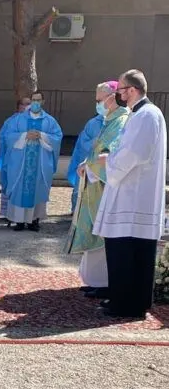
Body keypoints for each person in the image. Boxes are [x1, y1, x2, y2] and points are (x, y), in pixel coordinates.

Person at [93, 70, 168, 320]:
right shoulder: (141, 114)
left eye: (121, 90)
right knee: (131, 252)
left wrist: (109, 161)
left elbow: (135, 153)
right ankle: (127, 300)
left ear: (133, 90)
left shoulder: (146, 115)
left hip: (134, 196)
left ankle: (126, 304)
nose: (119, 94)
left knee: (126, 252)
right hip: (133, 192)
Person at [65, 82, 129, 295]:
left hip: (105, 188)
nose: (98, 104)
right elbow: (96, 151)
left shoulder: (121, 121)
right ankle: (95, 280)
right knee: (95, 231)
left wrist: (90, 168)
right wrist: (86, 163)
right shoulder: (108, 120)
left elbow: (112, 154)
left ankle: (104, 283)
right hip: (95, 185)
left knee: (103, 234)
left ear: (112, 97)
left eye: (100, 100)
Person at [3, 91, 63, 232]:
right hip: (20, 163)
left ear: (43, 102)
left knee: (37, 188)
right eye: (33, 100)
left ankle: (34, 220)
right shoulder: (18, 119)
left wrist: (42, 135)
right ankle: (19, 221)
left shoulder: (49, 121)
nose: (35, 103)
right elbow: (8, 136)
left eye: (38, 100)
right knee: (19, 188)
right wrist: (25, 135)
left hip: (40, 163)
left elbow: (57, 137)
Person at [0, 97, 30, 218]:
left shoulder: (35, 120)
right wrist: (23, 137)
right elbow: (4, 138)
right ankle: (10, 213)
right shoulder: (10, 121)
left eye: (29, 104)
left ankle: (29, 216)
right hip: (13, 159)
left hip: (30, 159)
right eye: (23, 104)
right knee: (12, 183)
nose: (26, 107)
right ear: (18, 106)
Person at [67, 110, 104, 213]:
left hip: (106, 165)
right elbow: (83, 143)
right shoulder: (93, 123)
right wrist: (96, 143)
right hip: (89, 163)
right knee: (81, 191)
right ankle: (77, 212)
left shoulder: (120, 121)